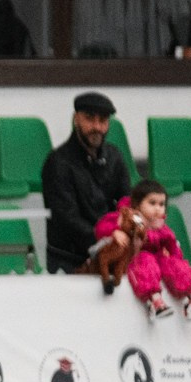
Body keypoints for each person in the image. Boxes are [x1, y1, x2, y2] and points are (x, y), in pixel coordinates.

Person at [96, 179, 191, 320]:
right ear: (137, 205)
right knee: (146, 261)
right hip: (134, 259)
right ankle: (155, 303)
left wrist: (179, 262)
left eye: (161, 204)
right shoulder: (126, 218)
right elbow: (101, 227)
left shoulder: (162, 228)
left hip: (158, 259)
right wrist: (116, 231)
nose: (158, 208)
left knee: (173, 264)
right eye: (152, 203)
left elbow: (172, 246)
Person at [41, 91, 131, 274]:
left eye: (103, 120)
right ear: (76, 119)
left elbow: (126, 201)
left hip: (108, 251)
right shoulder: (58, 162)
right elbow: (67, 218)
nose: (97, 127)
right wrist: (107, 238)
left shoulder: (115, 156)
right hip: (69, 259)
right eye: (90, 119)